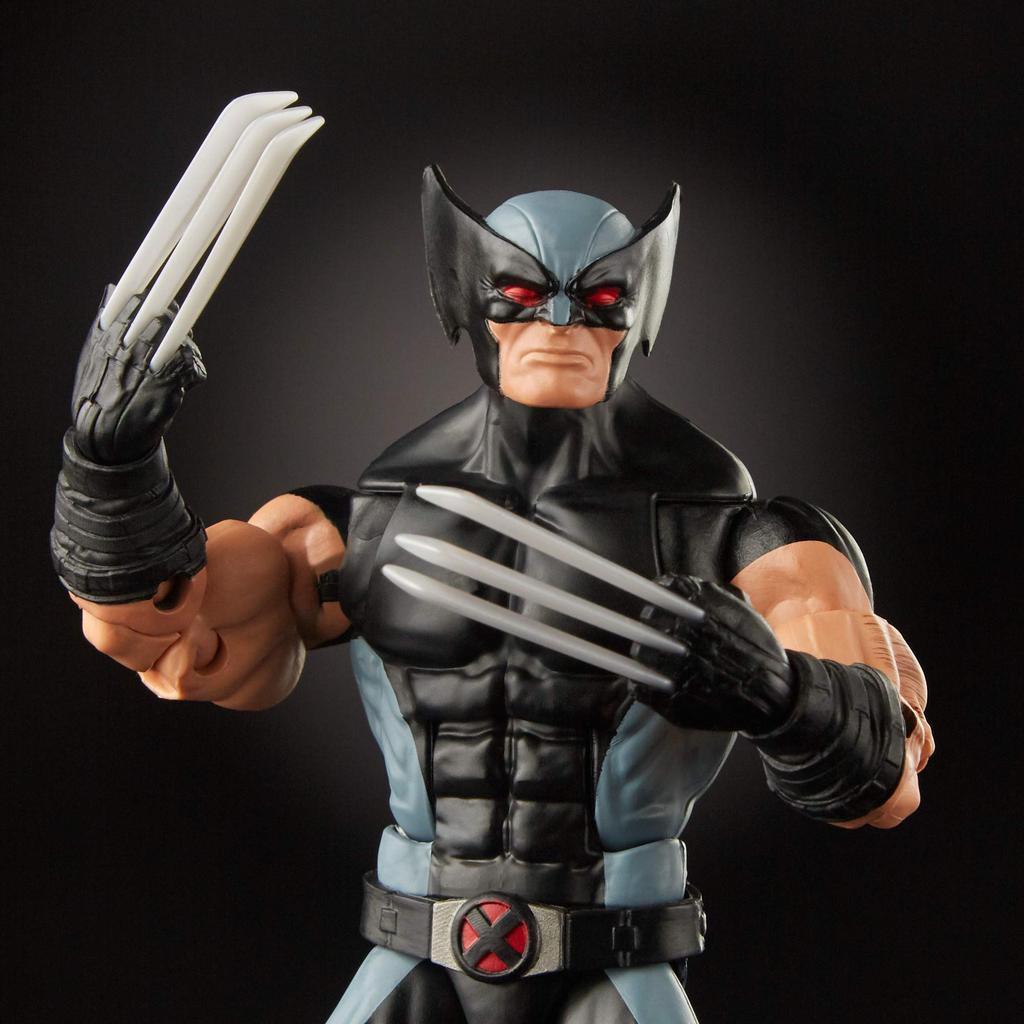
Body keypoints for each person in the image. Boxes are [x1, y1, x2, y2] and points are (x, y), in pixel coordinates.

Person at [52, 163, 933, 1024]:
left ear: (639, 308)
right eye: (521, 296)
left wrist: (782, 694)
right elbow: (174, 642)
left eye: (597, 299)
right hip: (415, 955)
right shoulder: (368, 519)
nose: (559, 322)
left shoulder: (734, 531)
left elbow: (887, 775)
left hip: (614, 963)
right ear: (467, 295)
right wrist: (110, 476)